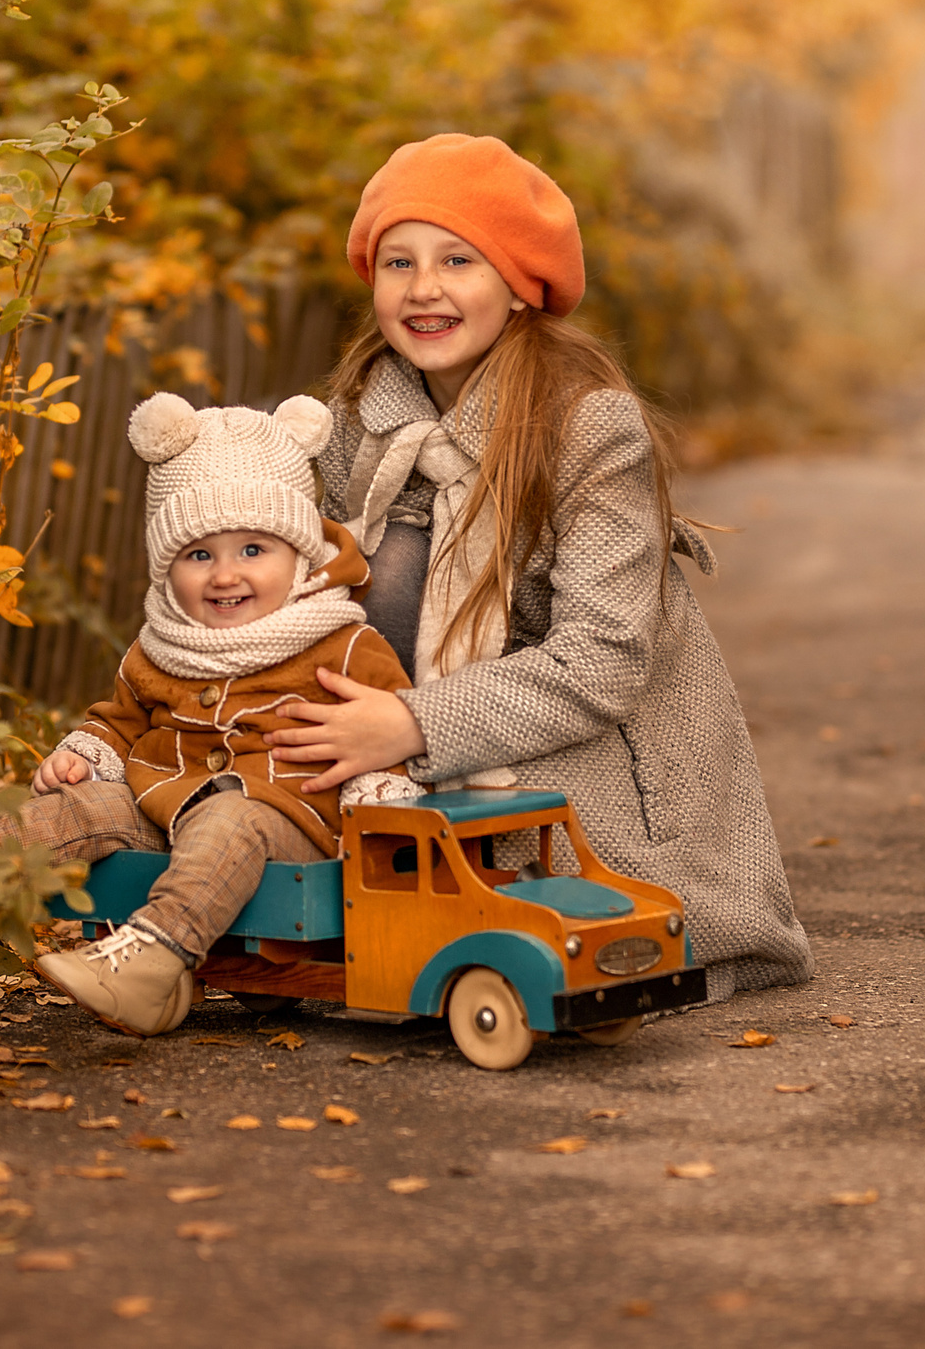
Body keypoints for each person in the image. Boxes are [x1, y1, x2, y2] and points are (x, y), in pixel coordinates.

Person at [266, 132, 815, 1001]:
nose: (424, 288)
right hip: (394, 740)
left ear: (520, 285)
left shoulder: (587, 426)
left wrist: (412, 725)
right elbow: (261, 574)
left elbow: (603, 661)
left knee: (559, 941)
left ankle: (510, 910)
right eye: (398, 261)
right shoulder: (356, 421)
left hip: (579, 764)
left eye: (459, 259)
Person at [0, 391, 420, 1036]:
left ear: (299, 556)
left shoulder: (341, 642)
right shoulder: (160, 646)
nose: (224, 574)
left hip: (292, 822)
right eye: (199, 554)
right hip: (167, 806)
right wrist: (83, 752)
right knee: (87, 807)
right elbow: (119, 721)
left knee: (230, 816)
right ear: (167, 568)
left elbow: (387, 730)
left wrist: (381, 799)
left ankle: (151, 960)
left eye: (253, 550)